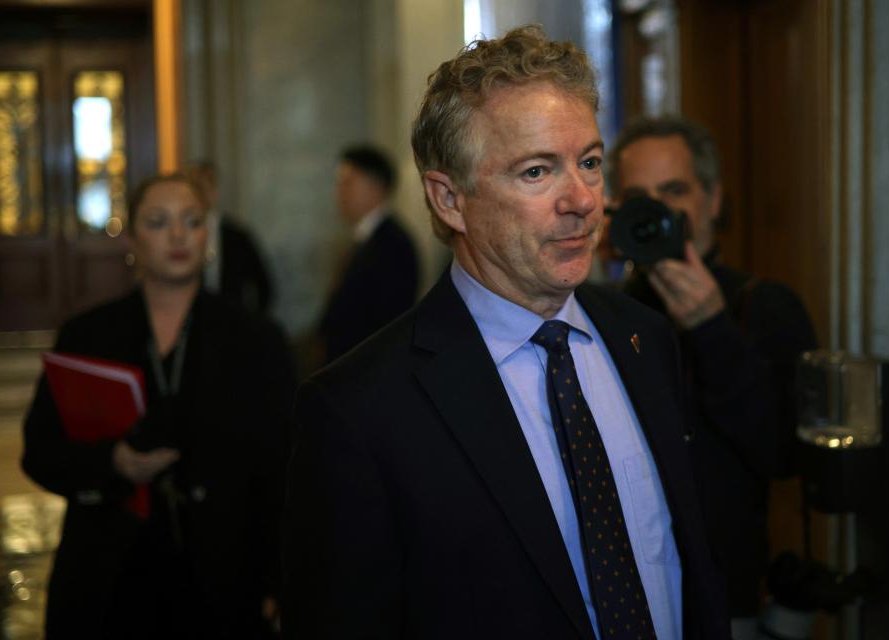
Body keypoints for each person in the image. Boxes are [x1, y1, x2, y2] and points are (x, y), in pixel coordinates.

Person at [283, 26, 730, 640]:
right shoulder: (358, 410)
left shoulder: (644, 336)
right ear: (449, 200)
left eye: (591, 162)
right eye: (537, 171)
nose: (581, 199)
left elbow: (685, 563)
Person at [22, 173, 295, 638]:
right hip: (111, 577)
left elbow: (287, 464)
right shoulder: (87, 335)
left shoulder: (256, 339)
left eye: (191, 221)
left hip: (225, 577)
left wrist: (282, 578)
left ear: (207, 235)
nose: (177, 235)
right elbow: (40, 452)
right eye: (158, 222)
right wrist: (113, 462)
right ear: (132, 239)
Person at [606, 115, 818, 638]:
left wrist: (710, 328)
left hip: (730, 599)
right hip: (627, 598)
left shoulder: (764, 306)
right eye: (639, 196)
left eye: (674, 190)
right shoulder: (604, 314)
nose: (658, 211)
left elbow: (781, 454)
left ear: (713, 201)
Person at [316, 145, 419, 364]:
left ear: (376, 188)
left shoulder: (394, 245)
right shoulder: (363, 238)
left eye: (348, 183)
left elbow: (389, 322)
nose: (340, 193)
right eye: (339, 184)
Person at [186, 160, 275, 313]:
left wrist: (250, 324)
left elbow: (264, 286)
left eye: (205, 187)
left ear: (215, 191)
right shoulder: (181, 236)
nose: (201, 195)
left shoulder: (238, 237)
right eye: (195, 188)